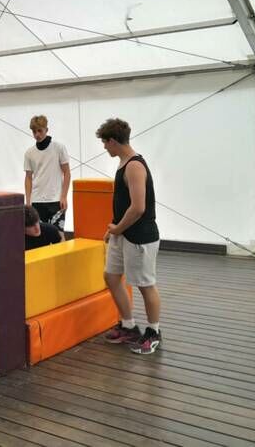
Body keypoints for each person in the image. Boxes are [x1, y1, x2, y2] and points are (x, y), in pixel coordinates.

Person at [97, 118, 162, 355]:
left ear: (113, 141)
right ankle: (129, 326)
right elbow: (124, 203)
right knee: (111, 276)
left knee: (145, 285)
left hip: (140, 236)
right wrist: (114, 228)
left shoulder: (134, 166)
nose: (104, 147)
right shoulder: (122, 163)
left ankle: (153, 332)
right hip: (122, 233)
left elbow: (138, 208)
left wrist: (117, 228)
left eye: (105, 143)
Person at [24, 115, 71, 234]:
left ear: (46, 130)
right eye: (34, 131)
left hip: (56, 200)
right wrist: (28, 201)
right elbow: (28, 178)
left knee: (59, 235)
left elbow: (67, 172)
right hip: (37, 201)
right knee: (40, 236)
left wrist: (64, 196)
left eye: (40, 130)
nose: (37, 134)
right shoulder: (29, 153)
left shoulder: (59, 148)